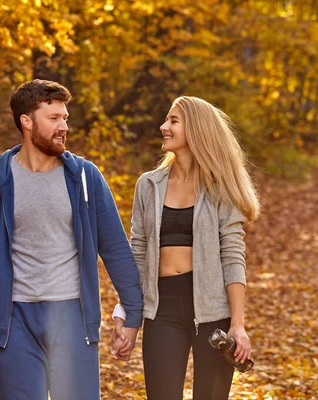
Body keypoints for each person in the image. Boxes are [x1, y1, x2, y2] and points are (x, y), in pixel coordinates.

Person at [0, 79, 143, 400]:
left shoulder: (85, 178)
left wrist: (132, 311)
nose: (63, 127)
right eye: (54, 118)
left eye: (65, 118)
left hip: (72, 316)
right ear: (27, 123)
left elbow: (115, 248)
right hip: (13, 321)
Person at [113, 96, 260, 399]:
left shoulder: (220, 187)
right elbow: (138, 251)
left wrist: (238, 324)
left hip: (212, 311)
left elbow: (233, 256)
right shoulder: (148, 184)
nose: (163, 126)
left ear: (196, 129)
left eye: (173, 121)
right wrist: (127, 311)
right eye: (166, 120)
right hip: (161, 309)